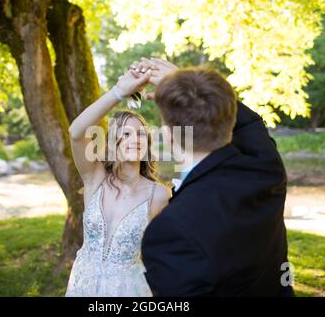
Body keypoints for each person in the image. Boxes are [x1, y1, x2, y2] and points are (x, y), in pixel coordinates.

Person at [138, 60, 294, 296]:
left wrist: (181, 81)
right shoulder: (266, 170)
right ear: (229, 122)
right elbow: (251, 125)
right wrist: (186, 81)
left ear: (168, 137)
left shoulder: (170, 230)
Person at [64, 67, 171, 296]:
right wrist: (118, 92)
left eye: (140, 134)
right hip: (82, 286)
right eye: (125, 134)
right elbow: (75, 132)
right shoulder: (95, 178)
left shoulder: (159, 195)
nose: (134, 140)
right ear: (113, 143)